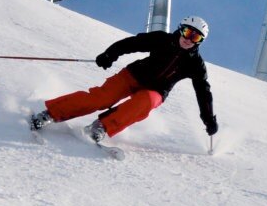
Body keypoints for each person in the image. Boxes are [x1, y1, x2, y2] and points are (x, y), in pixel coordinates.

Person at [29, 15, 219, 143]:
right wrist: (110, 54)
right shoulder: (162, 39)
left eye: (196, 38)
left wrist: (208, 120)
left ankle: (100, 127)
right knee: (102, 98)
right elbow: (132, 43)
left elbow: (203, 92)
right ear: (181, 29)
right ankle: (50, 113)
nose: (189, 39)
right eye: (187, 32)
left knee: (145, 103)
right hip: (134, 75)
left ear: (199, 42)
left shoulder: (195, 64)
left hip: (156, 90)